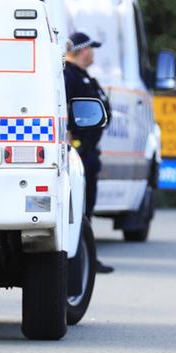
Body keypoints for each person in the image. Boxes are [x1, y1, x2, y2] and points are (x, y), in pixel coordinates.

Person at [63, 32, 114, 275]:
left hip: (89, 152)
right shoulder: (68, 75)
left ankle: (86, 258)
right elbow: (65, 112)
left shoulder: (83, 77)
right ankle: (79, 261)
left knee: (87, 207)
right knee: (79, 209)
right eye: (91, 48)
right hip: (78, 152)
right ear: (83, 50)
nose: (92, 53)